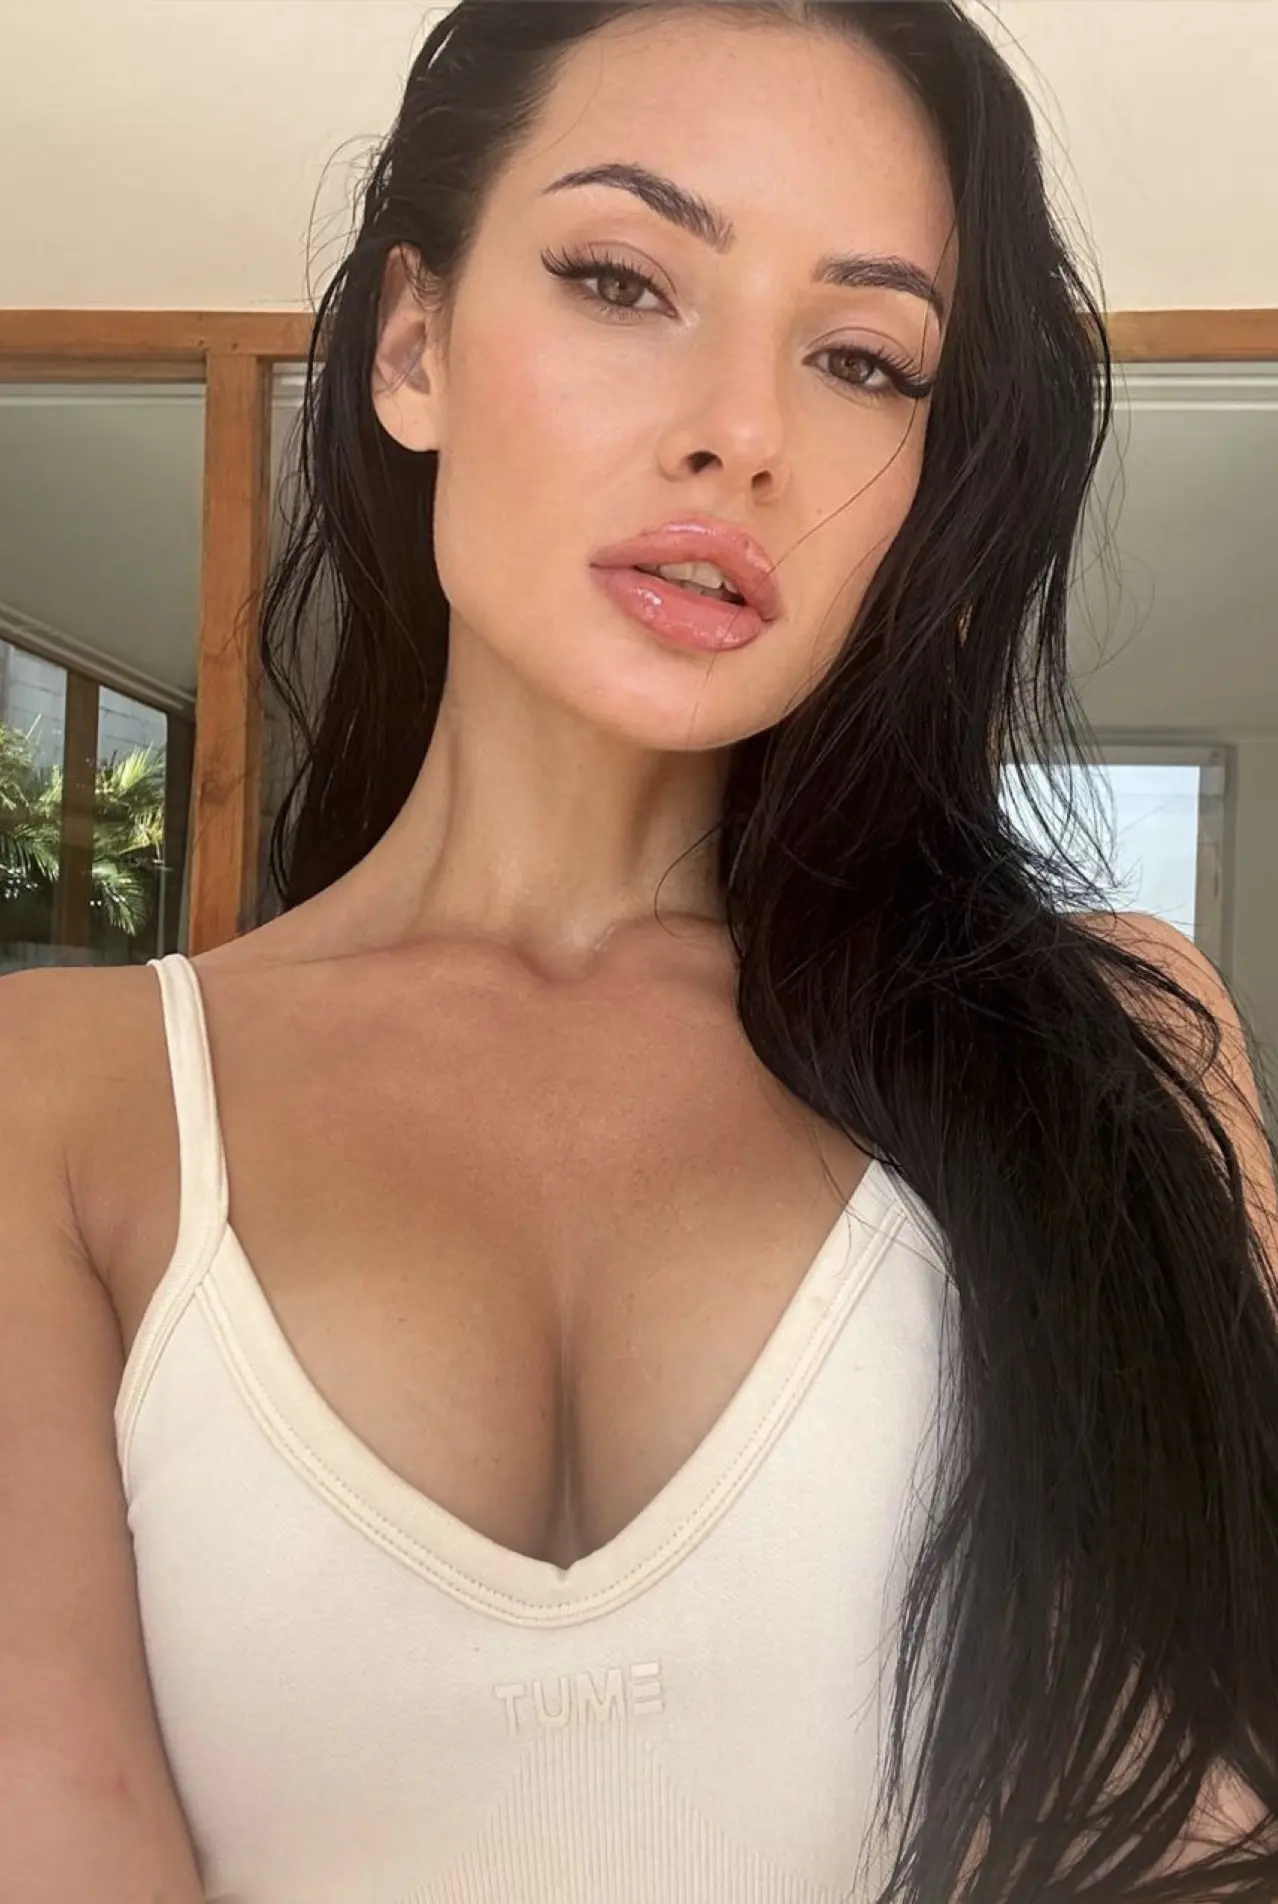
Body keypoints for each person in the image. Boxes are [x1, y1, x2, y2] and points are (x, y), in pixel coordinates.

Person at [3, 1, 1277, 1898]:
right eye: (621, 279)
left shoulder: (1113, 1053)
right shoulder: (62, 1104)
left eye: (860, 357)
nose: (740, 434)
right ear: (414, 344)